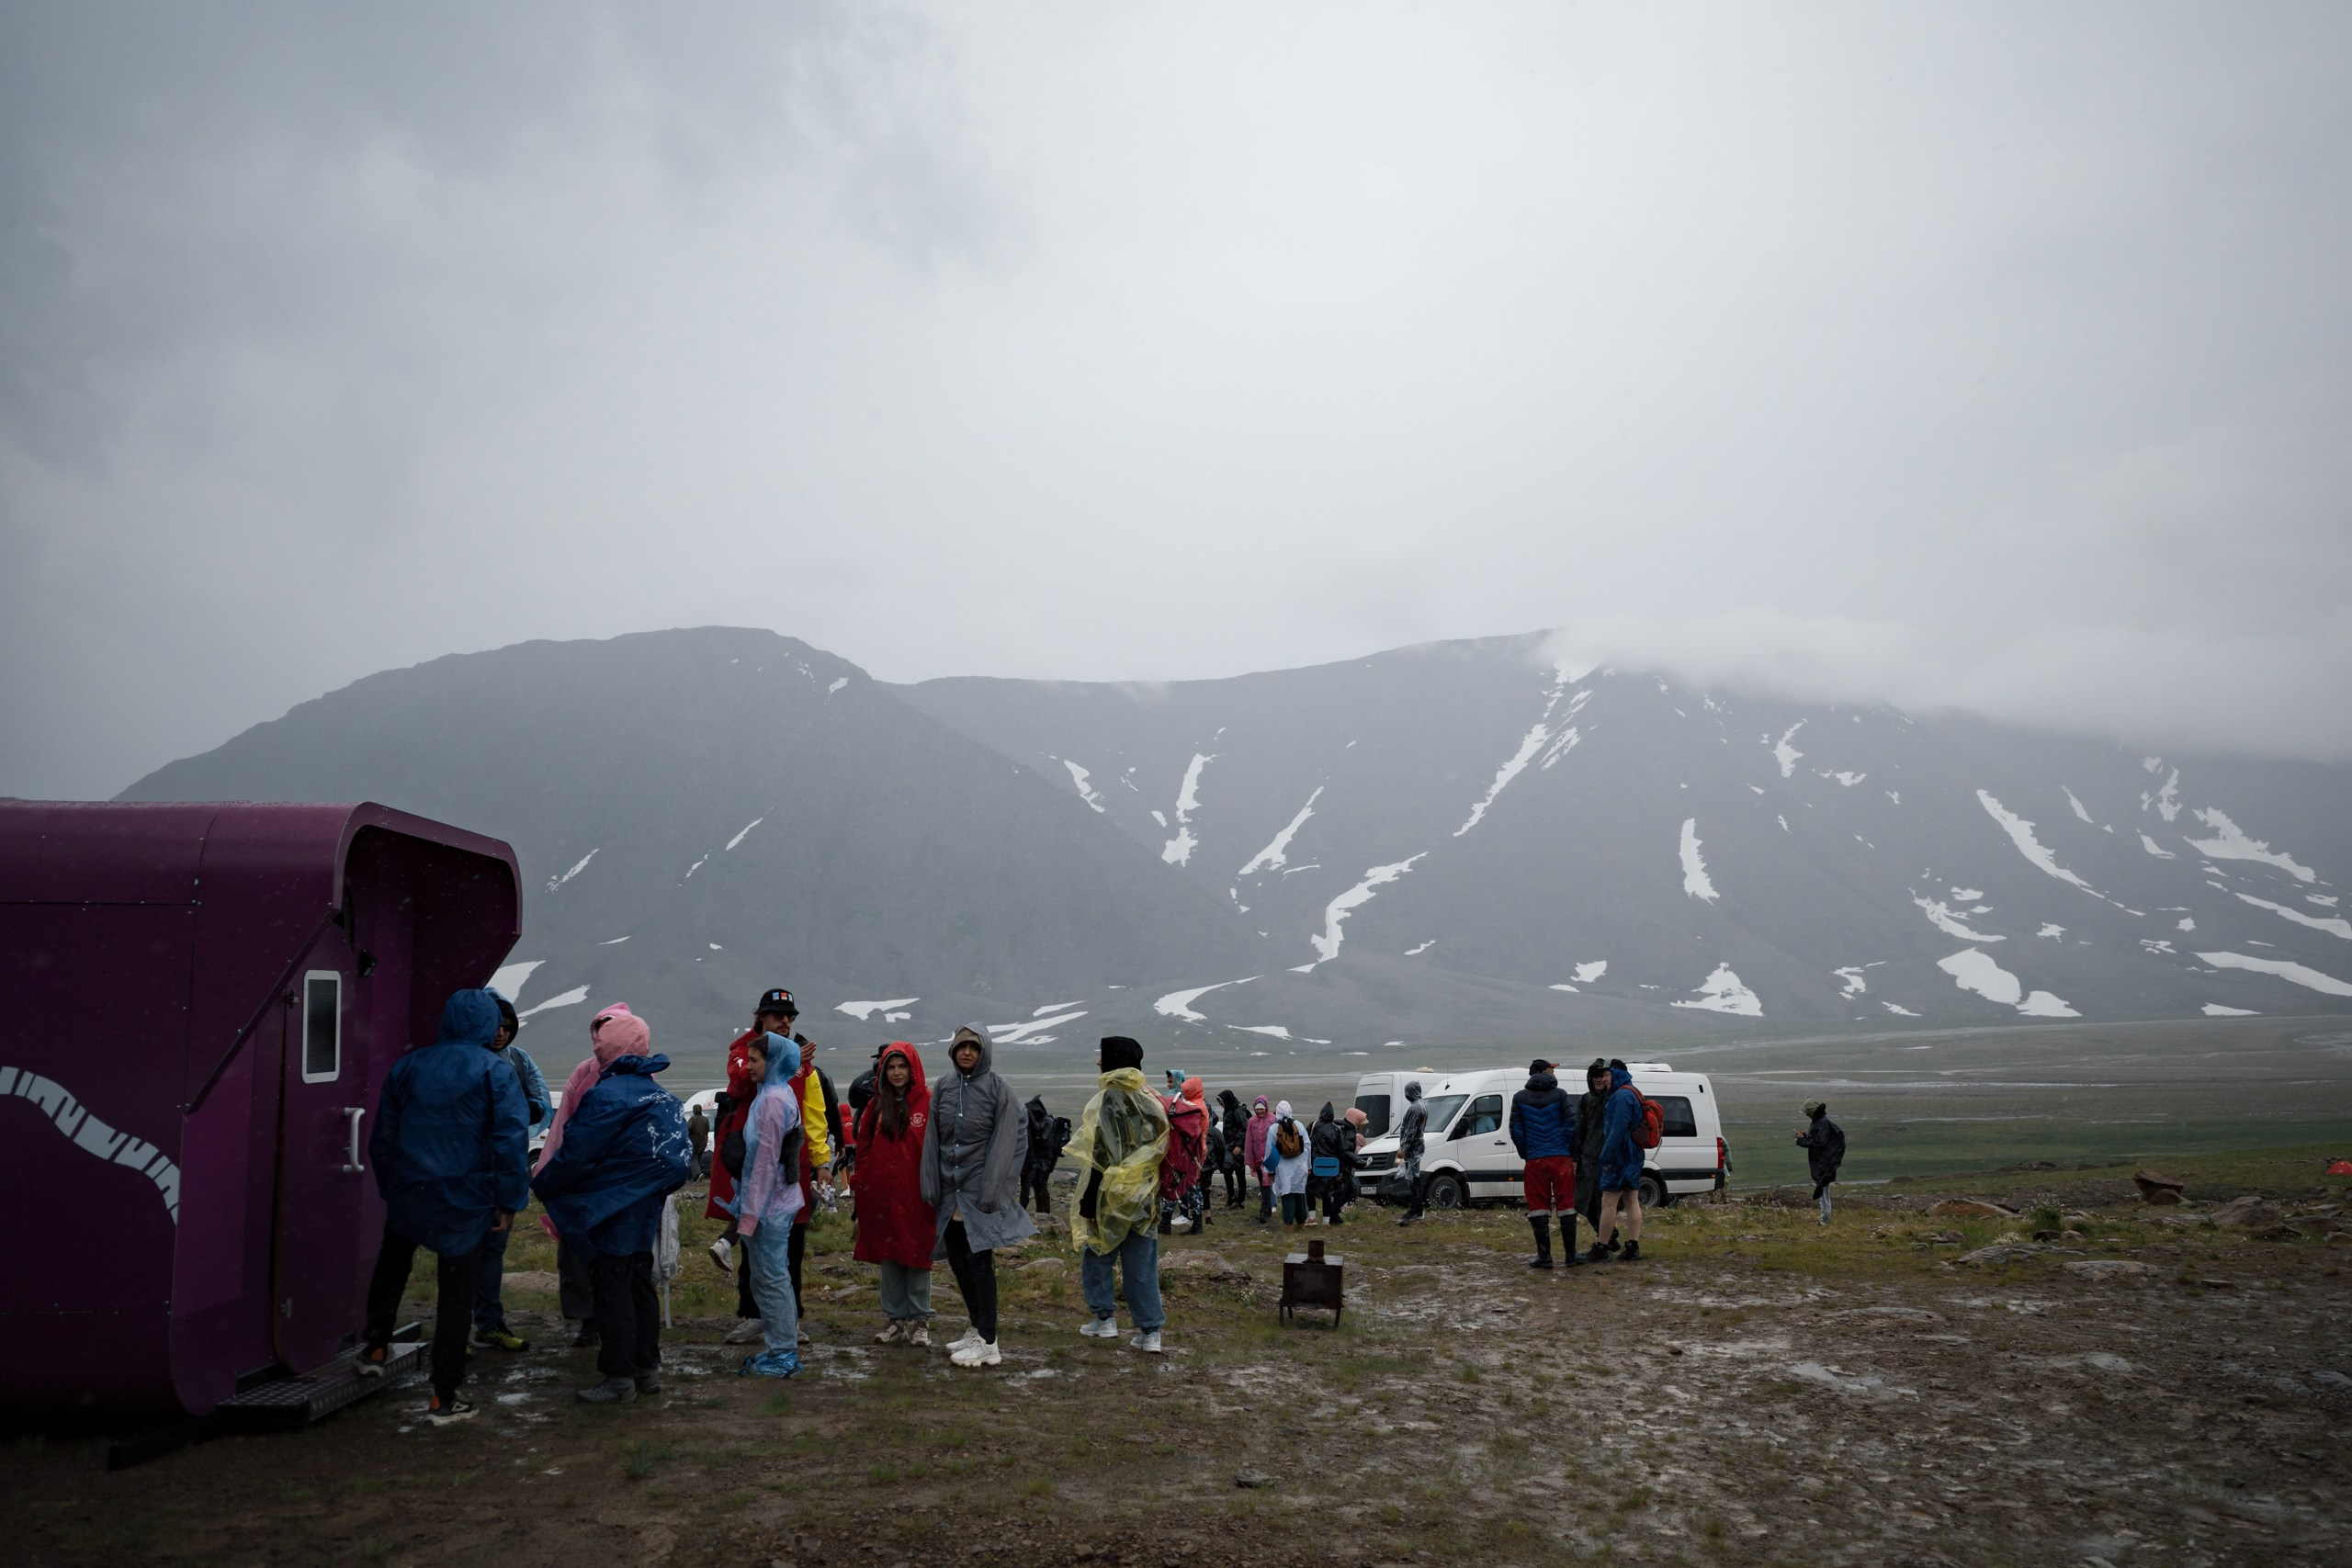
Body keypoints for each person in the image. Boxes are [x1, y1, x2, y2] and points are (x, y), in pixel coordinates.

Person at [358, 987, 529, 1426]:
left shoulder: (408, 1066)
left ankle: (374, 1346)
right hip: (467, 1198)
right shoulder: (495, 1070)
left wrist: (392, 1188)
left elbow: (382, 1138)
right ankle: (443, 1395)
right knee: (455, 1297)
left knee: (392, 1267)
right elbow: (510, 1140)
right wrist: (509, 1200)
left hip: (410, 1191)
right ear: (486, 1024)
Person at [921, 1025, 1033, 1368]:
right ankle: (976, 1327)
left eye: (974, 1047)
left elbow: (1008, 1141)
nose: (967, 1052)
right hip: (950, 1189)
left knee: (978, 1261)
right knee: (958, 1258)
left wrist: (992, 1189)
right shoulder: (944, 1087)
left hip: (980, 1189)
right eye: (961, 1046)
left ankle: (988, 1340)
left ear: (984, 1052)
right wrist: (930, 1183)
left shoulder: (1000, 1089)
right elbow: (932, 1137)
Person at [707, 987, 804, 1345]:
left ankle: (783, 1339)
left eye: (789, 1016)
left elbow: (764, 1163)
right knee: (764, 1265)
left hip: (773, 1184)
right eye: (778, 1015)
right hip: (764, 1178)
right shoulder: (757, 1063)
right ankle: (764, 1322)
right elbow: (739, 1083)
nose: (785, 1021)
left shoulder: (777, 1091)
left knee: (776, 1265)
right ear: (761, 1017)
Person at [536, 1000, 637, 1347]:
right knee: (579, 1249)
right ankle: (588, 1317)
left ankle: (611, 1317)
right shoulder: (584, 1072)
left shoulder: (637, 1075)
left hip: (616, 1179)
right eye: (599, 1030)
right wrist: (553, 1171)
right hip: (583, 1175)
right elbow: (562, 1123)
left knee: (613, 1251)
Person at [1069, 1036, 1170, 1354]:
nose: (1098, 1062)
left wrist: (1089, 1200)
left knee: (1098, 1253)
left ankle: (1104, 1319)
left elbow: (1101, 1154)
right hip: (1145, 1197)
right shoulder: (1151, 1099)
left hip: (1111, 1196)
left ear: (1114, 1060)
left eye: (1103, 1056)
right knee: (1141, 1264)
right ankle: (1150, 1332)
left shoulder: (1110, 1100)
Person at [724, 1031, 807, 1378]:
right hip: (770, 1202)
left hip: (769, 1205)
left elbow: (764, 1163)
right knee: (767, 1277)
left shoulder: (773, 1101)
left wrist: (749, 1213)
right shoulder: (772, 1093)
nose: (749, 1066)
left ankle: (783, 1353)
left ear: (772, 1061)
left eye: (755, 1060)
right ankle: (777, 1348)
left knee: (771, 1278)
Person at [472, 993, 549, 1352]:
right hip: (468, 1171)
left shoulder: (519, 1059)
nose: (500, 1033)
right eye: (494, 1025)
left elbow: (542, 1105)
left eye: (507, 1026)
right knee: (461, 1251)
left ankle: (487, 1324)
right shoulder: (463, 1061)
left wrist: (516, 1109)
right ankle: (459, 1330)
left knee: (491, 1251)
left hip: (504, 1168)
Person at [852, 1042, 936, 1345]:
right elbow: (864, 1148)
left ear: (913, 1069)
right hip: (882, 1193)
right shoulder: (877, 1106)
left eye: (902, 1066)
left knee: (917, 1254)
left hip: (917, 1193)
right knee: (889, 1254)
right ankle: (895, 1319)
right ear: (883, 1072)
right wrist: (860, 1184)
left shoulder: (928, 1103)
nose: (897, 1072)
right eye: (891, 1067)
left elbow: (937, 1149)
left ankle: (920, 1321)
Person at [786, 1029, 835, 1342]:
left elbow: (816, 1119)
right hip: (765, 1170)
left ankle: (792, 1314)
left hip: (797, 1169)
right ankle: (758, 1314)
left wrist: (821, 1163)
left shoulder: (809, 1075)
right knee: (759, 1248)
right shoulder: (761, 1066)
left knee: (792, 1244)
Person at [1509, 1058, 1579, 1269]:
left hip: (1535, 1159)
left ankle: (1545, 1256)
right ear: (1542, 1071)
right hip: (1561, 1157)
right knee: (1567, 1205)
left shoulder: (1519, 1098)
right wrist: (1571, 1153)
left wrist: (1527, 1153)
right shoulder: (1560, 1095)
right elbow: (1571, 1126)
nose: (1554, 1073)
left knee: (1538, 1207)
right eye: (1551, 1069)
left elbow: (1516, 1131)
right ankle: (1571, 1256)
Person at [1588, 1060, 1645, 1262]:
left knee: (1608, 1202)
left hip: (1619, 1157)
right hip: (1634, 1155)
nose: (1603, 1079)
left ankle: (1602, 1247)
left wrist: (1606, 1156)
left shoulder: (1620, 1096)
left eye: (1607, 1075)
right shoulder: (1634, 1092)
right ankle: (1633, 1246)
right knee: (1632, 1201)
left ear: (1616, 1074)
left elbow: (1617, 1131)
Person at [1159, 1077, 1209, 1234]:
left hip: (1188, 1153)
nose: (1183, 1092)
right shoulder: (1198, 1104)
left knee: (1177, 1183)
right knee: (1189, 1186)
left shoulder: (1193, 1107)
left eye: (1186, 1089)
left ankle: (1167, 1223)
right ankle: (1195, 1223)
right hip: (1194, 1151)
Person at [1573, 1059, 1611, 1253]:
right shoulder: (1585, 1100)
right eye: (1595, 1076)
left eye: (1602, 1076)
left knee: (1605, 1201)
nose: (1599, 1080)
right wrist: (1575, 1157)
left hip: (1608, 1157)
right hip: (1587, 1157)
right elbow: (1579, 1130)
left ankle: (1605, 1240)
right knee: (1583, 1201)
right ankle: (1609, 1236)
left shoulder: (1613, 1098)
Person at [1795, 1100, 1847, 1225]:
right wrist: (1806, 1137)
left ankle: (1824, 1220)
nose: (1807, 1115)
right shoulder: (1820, 1121)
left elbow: (1819, 1142)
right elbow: (1819, 1140)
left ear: (1812, 1112)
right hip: (1823, 1162)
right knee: (1823, 1189)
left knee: (1823, 1189)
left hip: (1823, 1163)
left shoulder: (1821, 1123)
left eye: (1808, 1113)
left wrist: (1802, 1141)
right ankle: (1825, 1219)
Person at [1020, 1094, 1071, 1214]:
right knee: (1038, 1184)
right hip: (1043, 1157)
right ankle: (1040, 1211)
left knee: (1041, 1184)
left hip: (1045, 1158)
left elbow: (1043, 1140)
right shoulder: (1044, 1120)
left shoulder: (1047, 1121)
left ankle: (1045, 1212)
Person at [1264, 1100, 1312, 1227]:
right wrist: (1308, 1165)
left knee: (1287, 1194)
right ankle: (1301, 1222)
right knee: (1300, 1193)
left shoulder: (1274, 1128)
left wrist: (1270, 1170)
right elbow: (1307, 1146)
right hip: (1300, 1166)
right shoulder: (1299, 1125)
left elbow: (1270, 1150)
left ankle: (1288, 1223)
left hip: (1283, 1167)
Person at [1395, 1080, 1431, 1225]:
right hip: (1416, 1147)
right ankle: (1416, 1208)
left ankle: (1416, 1209)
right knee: (1413, 1177)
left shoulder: (1415, 1108)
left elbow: (1410, 1131)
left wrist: (1402, 1149)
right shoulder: (1422, 1106)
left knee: (1413, 1179)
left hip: (1412, 1148)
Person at [1309, 1101, 1348, 1224]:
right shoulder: (1337, 1130)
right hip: (1331, 1167)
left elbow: (1307, 1144)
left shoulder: (1313, 1126)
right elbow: (1341, 1151)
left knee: (1309, 1189)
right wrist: (1340, 1170)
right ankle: (1326, 1221)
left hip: (1315, 1166)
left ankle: (1312, 1216)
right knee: (1327, 1193)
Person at [1216, 1089, 1248, 1208]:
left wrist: (1239, 1145)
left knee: (1240, 1173)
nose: (1221, 1104)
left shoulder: (1237, 1111)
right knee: (1227, 1171)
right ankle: (1231, 1197)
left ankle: (1241, 1200)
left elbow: (1244, 1128)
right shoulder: (1228, 1110)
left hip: (1237, 1148)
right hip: (1229, 1147)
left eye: (1221, 1101)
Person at [1245, 1095, 1274, 1223]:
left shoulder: (1273, 1119)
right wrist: (1250, 1160)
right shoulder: (1252, 1121)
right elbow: (1249, 1141)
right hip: (1258, 1160)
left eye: (1262, 1109)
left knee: (1267, 1185)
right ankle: (1266, 1210)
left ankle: (1266, 1212)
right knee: (1263, 1186)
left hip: (1271, 1159)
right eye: (1257, 1109)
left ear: (1266, 1108)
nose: (1260, 1111)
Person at [686, 1102, 711, 1182]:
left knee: (693, 1159)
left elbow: (687, 1129)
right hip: (704, 1142)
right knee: (698, 1159)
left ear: (694, 1111)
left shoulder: (693, 1119)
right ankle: (694, 1176)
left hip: (695, 1142)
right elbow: (707, 1129)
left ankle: (697, 1174)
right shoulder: (705, 1119)